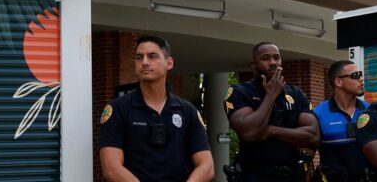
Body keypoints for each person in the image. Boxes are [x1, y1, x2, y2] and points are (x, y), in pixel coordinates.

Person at [99, 34, 214, 182]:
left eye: (152, 56)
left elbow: (207, 166)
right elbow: (111, 168)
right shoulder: (117, 109)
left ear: (169, 63)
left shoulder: (187, 111)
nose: (144, 62)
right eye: (139, 57)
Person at [226, 42, 319, 181]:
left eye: (277, 58)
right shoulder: (240, 92)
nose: (273, 63)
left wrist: (270, 130)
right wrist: (271, 95)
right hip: (255, 176)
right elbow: (250, 133)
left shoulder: (296, 93)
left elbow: (313, 136)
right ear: (254, 64)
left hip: (292, 175)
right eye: (265, 58)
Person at [312, 60, 370, 182]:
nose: (361, 79)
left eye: (361, 75)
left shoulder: (370, 110)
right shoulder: (318, 113)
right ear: (338, 81)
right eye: (355, 76)